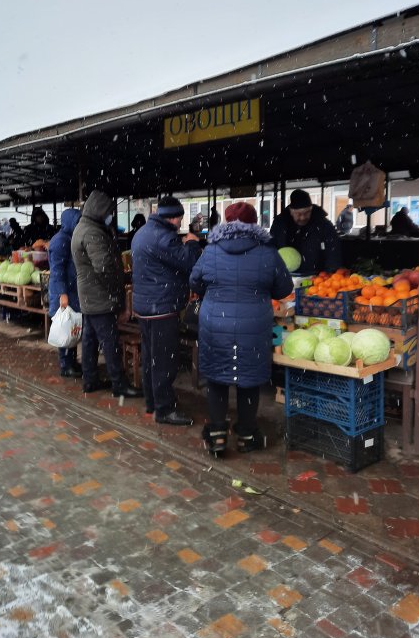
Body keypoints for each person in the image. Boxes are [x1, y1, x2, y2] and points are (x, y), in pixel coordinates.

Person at [190, 202, 293, 456]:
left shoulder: (211, 251)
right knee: (248, 379)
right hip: (254, 323)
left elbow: (194, 280)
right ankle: (247, 435)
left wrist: (214, 293)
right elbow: (283, 288)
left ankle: (217, 436)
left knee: (216, 377)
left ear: (226, 222)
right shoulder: (268, 252)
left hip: (216, 322)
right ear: (255, 223)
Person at [131, 196, 201, 425]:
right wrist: (191, 242)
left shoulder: (142, 232)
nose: (180, 224)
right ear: (172, 217)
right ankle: (164, 409)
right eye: (180, 219)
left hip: (145, 307)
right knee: (164, 361)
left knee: (151, 357)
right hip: (161, 308)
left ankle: (152, 402)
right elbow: (188, 262)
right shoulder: (164, 237)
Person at [71, 190, 142, 399]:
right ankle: (119, 384)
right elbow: (104, 268)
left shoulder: (83, 228)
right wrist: (117, 296)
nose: (110, 216)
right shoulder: (92, 233)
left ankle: (90, 379)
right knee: (110, 342)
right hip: (99, 297)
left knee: (90, 340)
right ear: (100, 211)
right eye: (109, 212)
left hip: (89, 296)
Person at [269, 189, 341, 274]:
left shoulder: (323, 225)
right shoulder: (280, 224)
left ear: (311, 209)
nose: (303, 217)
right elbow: (271, 250)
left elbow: (333, 253)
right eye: (298, 214)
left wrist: (329, 275)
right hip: (285, 277)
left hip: (317, 278)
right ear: (291, 211)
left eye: (307, 212)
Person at [48, 208, 83, 378]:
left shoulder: (69, 238)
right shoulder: (60, 241)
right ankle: (65, 365)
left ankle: (72, 362)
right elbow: (57, 270)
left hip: (71, 290)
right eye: (76, 222)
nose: (79, 225)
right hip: (63, 292)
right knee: (64, 327)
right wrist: (62, 293)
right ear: (69, 222)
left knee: (72, 327)